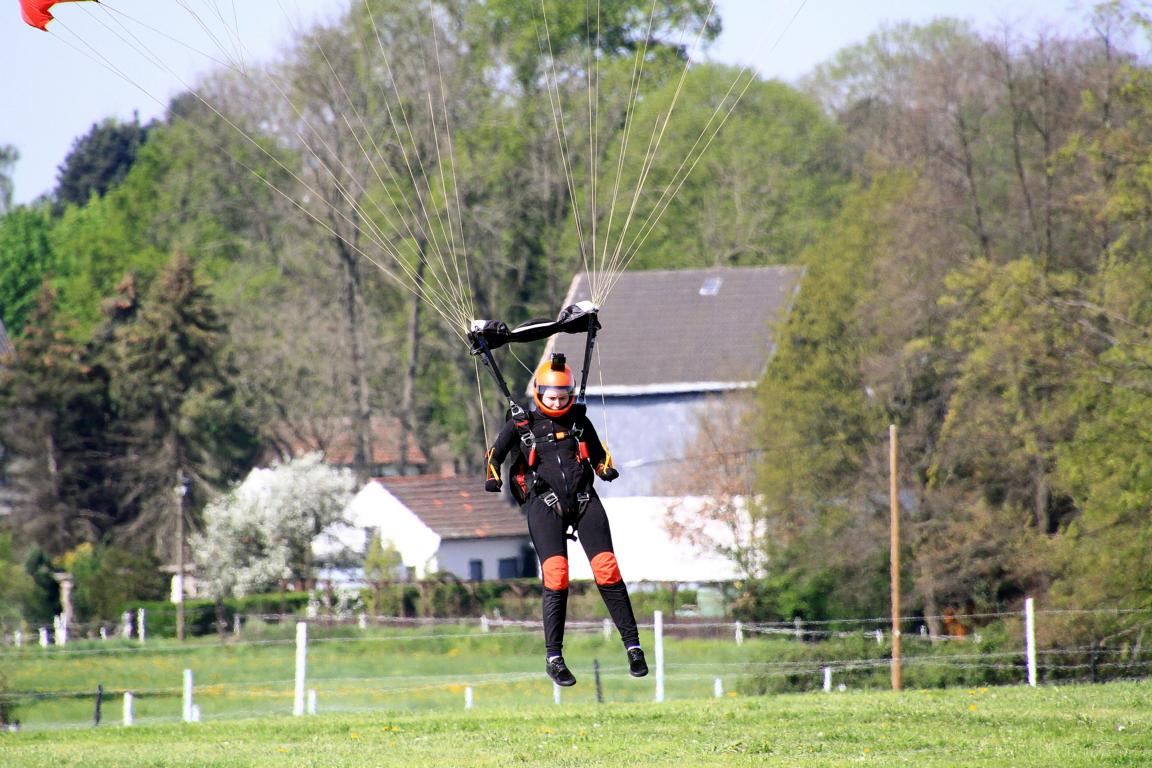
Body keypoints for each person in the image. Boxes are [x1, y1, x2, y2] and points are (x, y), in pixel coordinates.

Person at [484, 353, 648, 686]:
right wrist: (493, 478)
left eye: (562, 397)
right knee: (557, 575)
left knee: (607, 568)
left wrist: (604, 468)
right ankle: (554, 658)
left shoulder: (579, 422)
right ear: (539, 394)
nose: (557, 402)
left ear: (570, 394)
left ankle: (633, 647)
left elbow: (598, 456)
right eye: (551, 397)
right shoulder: (522, 424)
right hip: (544, 503)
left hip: (584, 499)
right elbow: (494, 457)